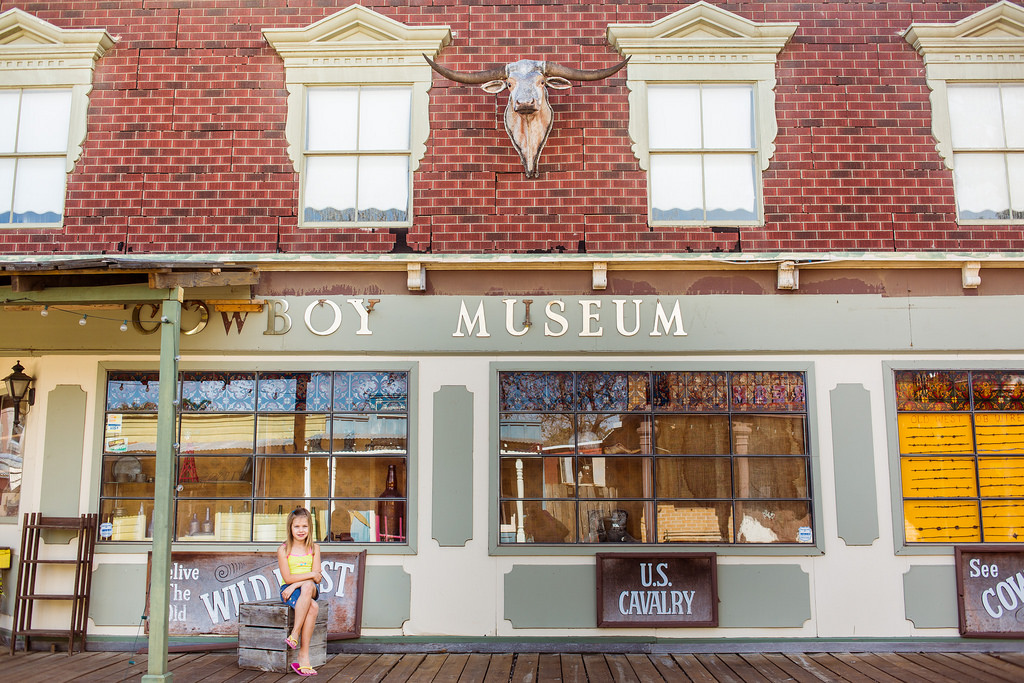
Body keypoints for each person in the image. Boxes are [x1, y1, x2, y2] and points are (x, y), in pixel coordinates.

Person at [277, 507, 322, 676]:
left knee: (309, 586)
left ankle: (294, 633)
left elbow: (317, 578)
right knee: (314, 608)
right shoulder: (283, 550)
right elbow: (287, 578)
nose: (301, 530)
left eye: (305, 526)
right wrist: (306, 577)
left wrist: (297, 584)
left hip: (306, 588)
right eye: (297, 526)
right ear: (290, 528)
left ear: (310, 527)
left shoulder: (314, 548)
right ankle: (303, 656)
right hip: (288, 590)